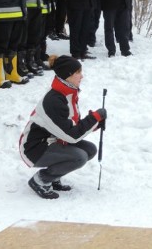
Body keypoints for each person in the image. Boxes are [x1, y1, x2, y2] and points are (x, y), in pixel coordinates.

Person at [19, 56, 106, 199]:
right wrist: (94, 118)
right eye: (78, 73)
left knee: (90, 149)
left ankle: (54, 178)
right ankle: (41, 180)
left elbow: (71, 126)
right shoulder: (54, 101)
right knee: (80, 157)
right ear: (68, 75)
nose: (81, 76)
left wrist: (95, 124)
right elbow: (71, 136)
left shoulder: (67, 93)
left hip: (53, 141)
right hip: (34, 148)